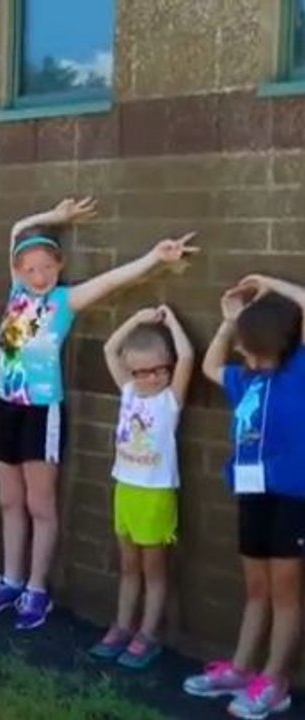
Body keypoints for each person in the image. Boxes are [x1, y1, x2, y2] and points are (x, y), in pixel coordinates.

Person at [0, 197, 198, 631]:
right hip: (4, 406)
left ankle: (37, 588)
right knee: (8, 499)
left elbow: (114, 280)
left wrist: (155, 256)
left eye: (46, 267)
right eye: (30, 268)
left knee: (40, 502)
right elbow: (17, 225)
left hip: (41, 412)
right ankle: (11, 578)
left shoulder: (65, 300)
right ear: (19, 271)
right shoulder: (17, 291)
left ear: (58, 267)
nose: (38, 275)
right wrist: (54, 218)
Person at [184, 275, 305, 719]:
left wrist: (269, 284)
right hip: (252, 494)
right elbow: (210, 367)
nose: (237, 348)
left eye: (244, 341)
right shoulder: (245, 379)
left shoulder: (300, 372)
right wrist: (230, 322)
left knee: (286, 594)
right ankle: (241, 667)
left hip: (293, 499)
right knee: (256, 588)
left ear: (271, 343)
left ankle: (274, 681)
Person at [88, 305, 192, 670]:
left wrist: (170, 319)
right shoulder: (129, 390)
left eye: (157, 370)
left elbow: (189, 356)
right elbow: (109, 349)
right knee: (129, 566)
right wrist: (136, 319)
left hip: (155, 494)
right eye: (140, 371)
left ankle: (148, 633)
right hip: (126, 490)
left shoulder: (170, 400)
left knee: (154, 569)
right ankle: (122, 625)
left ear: (167, 367)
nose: (148, 378)